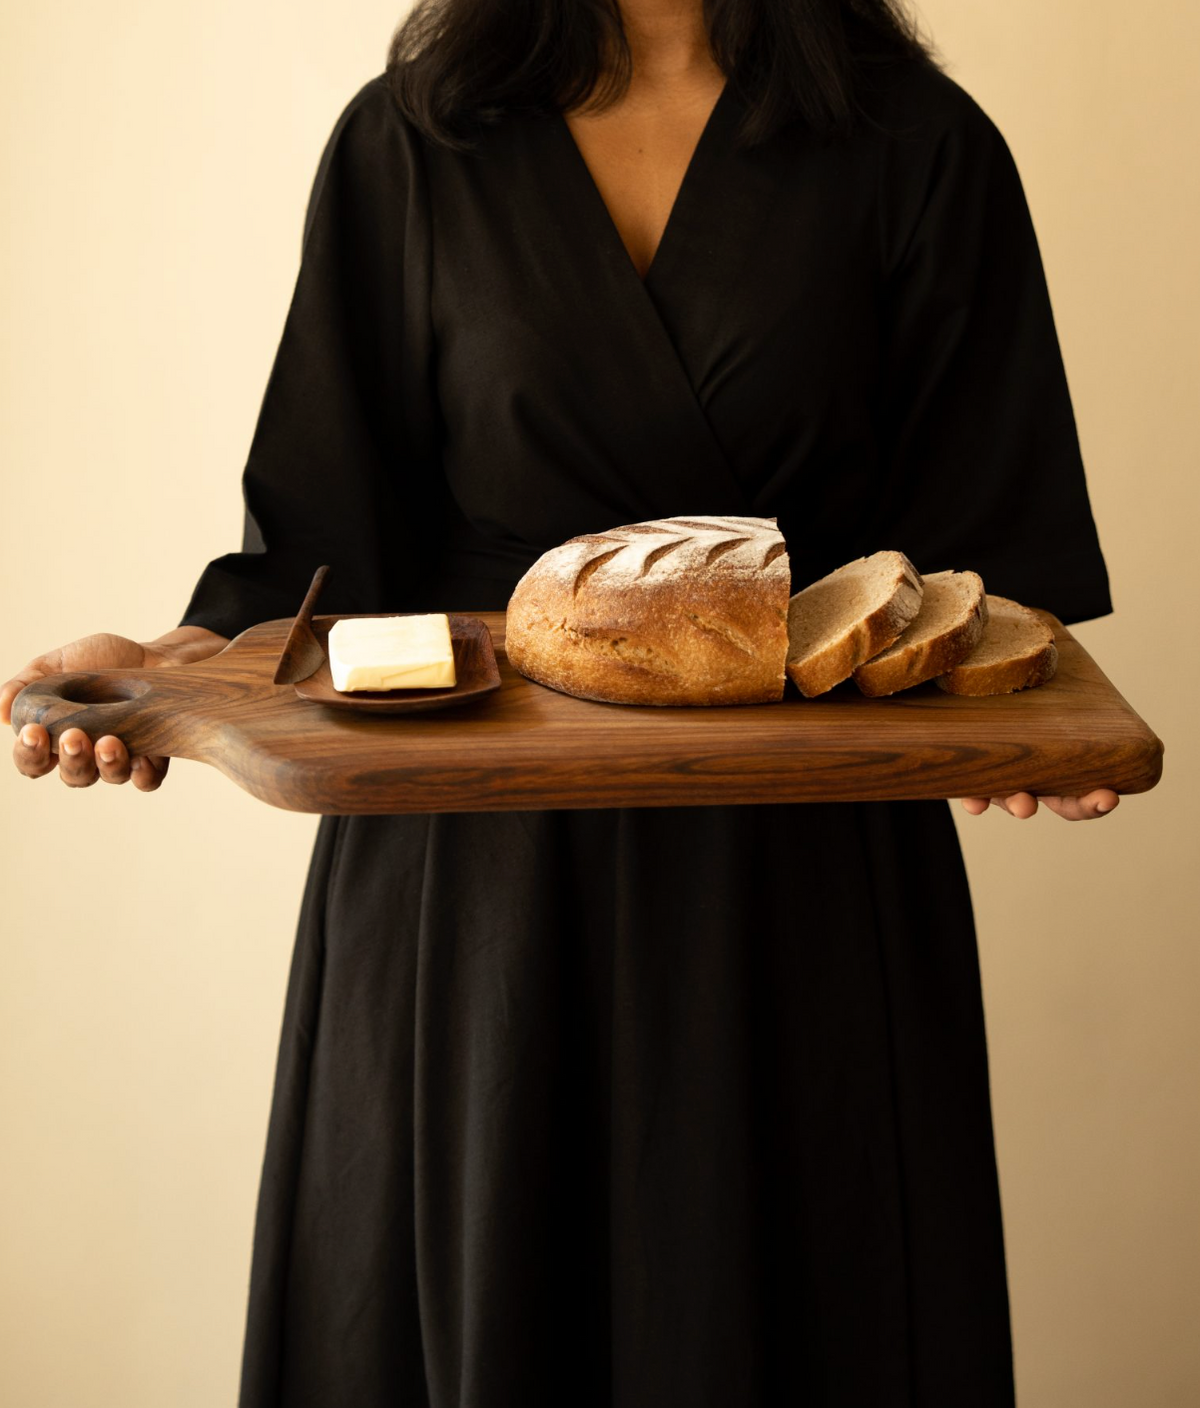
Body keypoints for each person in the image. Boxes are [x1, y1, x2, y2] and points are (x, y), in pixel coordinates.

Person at [2, 1, 1122, 1402]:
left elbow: (985, 560)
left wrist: (1018, 732)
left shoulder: (919, 145)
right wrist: (169, 663)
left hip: (799, 895)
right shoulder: (410, 140)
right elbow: (318, 537)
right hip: (470, 890)